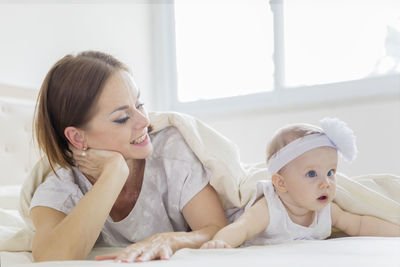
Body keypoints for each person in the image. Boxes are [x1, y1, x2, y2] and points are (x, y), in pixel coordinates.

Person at [30, 51, 227, 262]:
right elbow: (51, 258)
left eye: (139, 104)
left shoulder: (171, 152)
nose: (144, 121)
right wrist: (114, 172)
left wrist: (171, 240)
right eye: (122, 118)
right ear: (77, 137)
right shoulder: (64, 186)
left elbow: (216, 228)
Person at [201, 118, 400, 249]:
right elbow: (242, 228)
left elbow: (360, 224)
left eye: (331, 172)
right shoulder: (269, 209)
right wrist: (220, 243)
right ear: (281, 183)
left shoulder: (326, 211)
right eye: (312, 173)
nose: (326, 183)